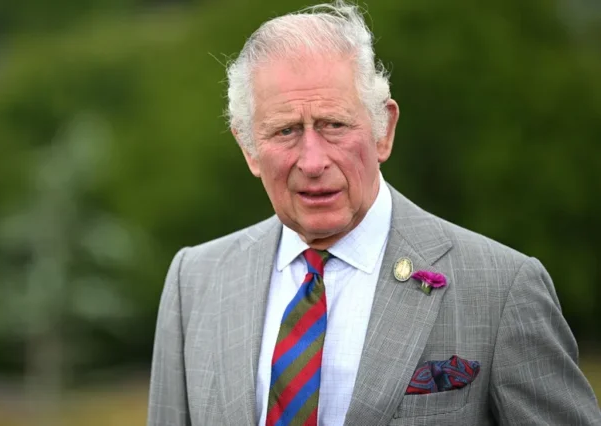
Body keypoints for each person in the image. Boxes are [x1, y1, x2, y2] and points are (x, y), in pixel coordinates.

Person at [146, 1, 601, 425]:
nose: (312, 161)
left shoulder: (502, 289)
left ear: (383, 130)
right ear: (248, 148)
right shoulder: (194, 282)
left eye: (334, 125)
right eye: (285, 131)